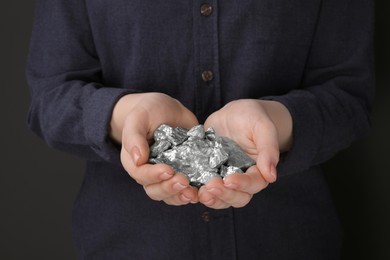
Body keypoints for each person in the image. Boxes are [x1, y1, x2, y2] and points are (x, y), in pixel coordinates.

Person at [26, 0, 375, 259]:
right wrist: (125, 115)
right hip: (126, 244)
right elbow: (50, 98)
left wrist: (275, 120)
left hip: (289, 241)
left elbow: (349, 96)